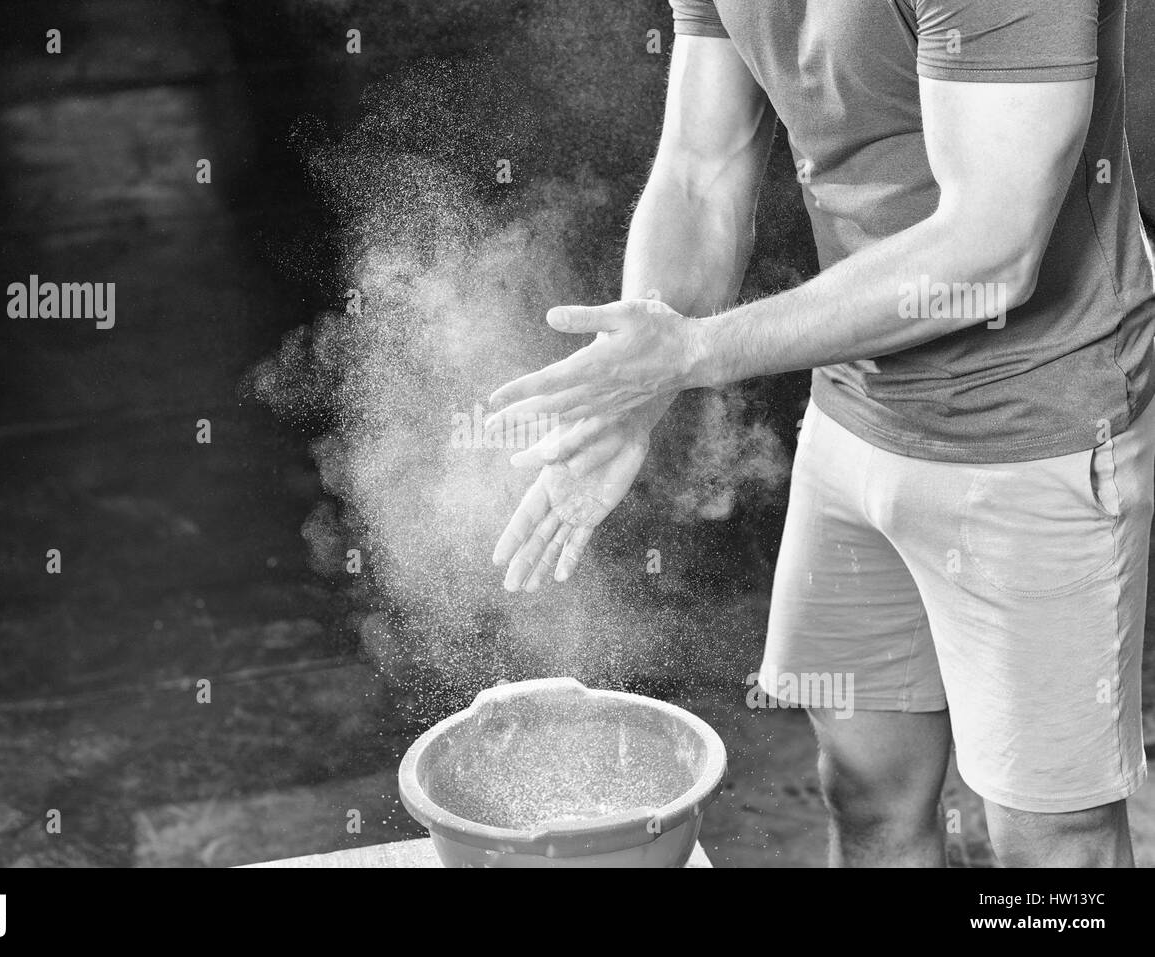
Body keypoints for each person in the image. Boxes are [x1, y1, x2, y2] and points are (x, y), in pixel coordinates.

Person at [486, 0, 1155, 867]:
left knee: (1045, 844)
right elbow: (701, 169)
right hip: (855, 405)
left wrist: (694, 351)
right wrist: (633, 390)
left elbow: (994, 248)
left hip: (1036, 426)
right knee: (868, 794)